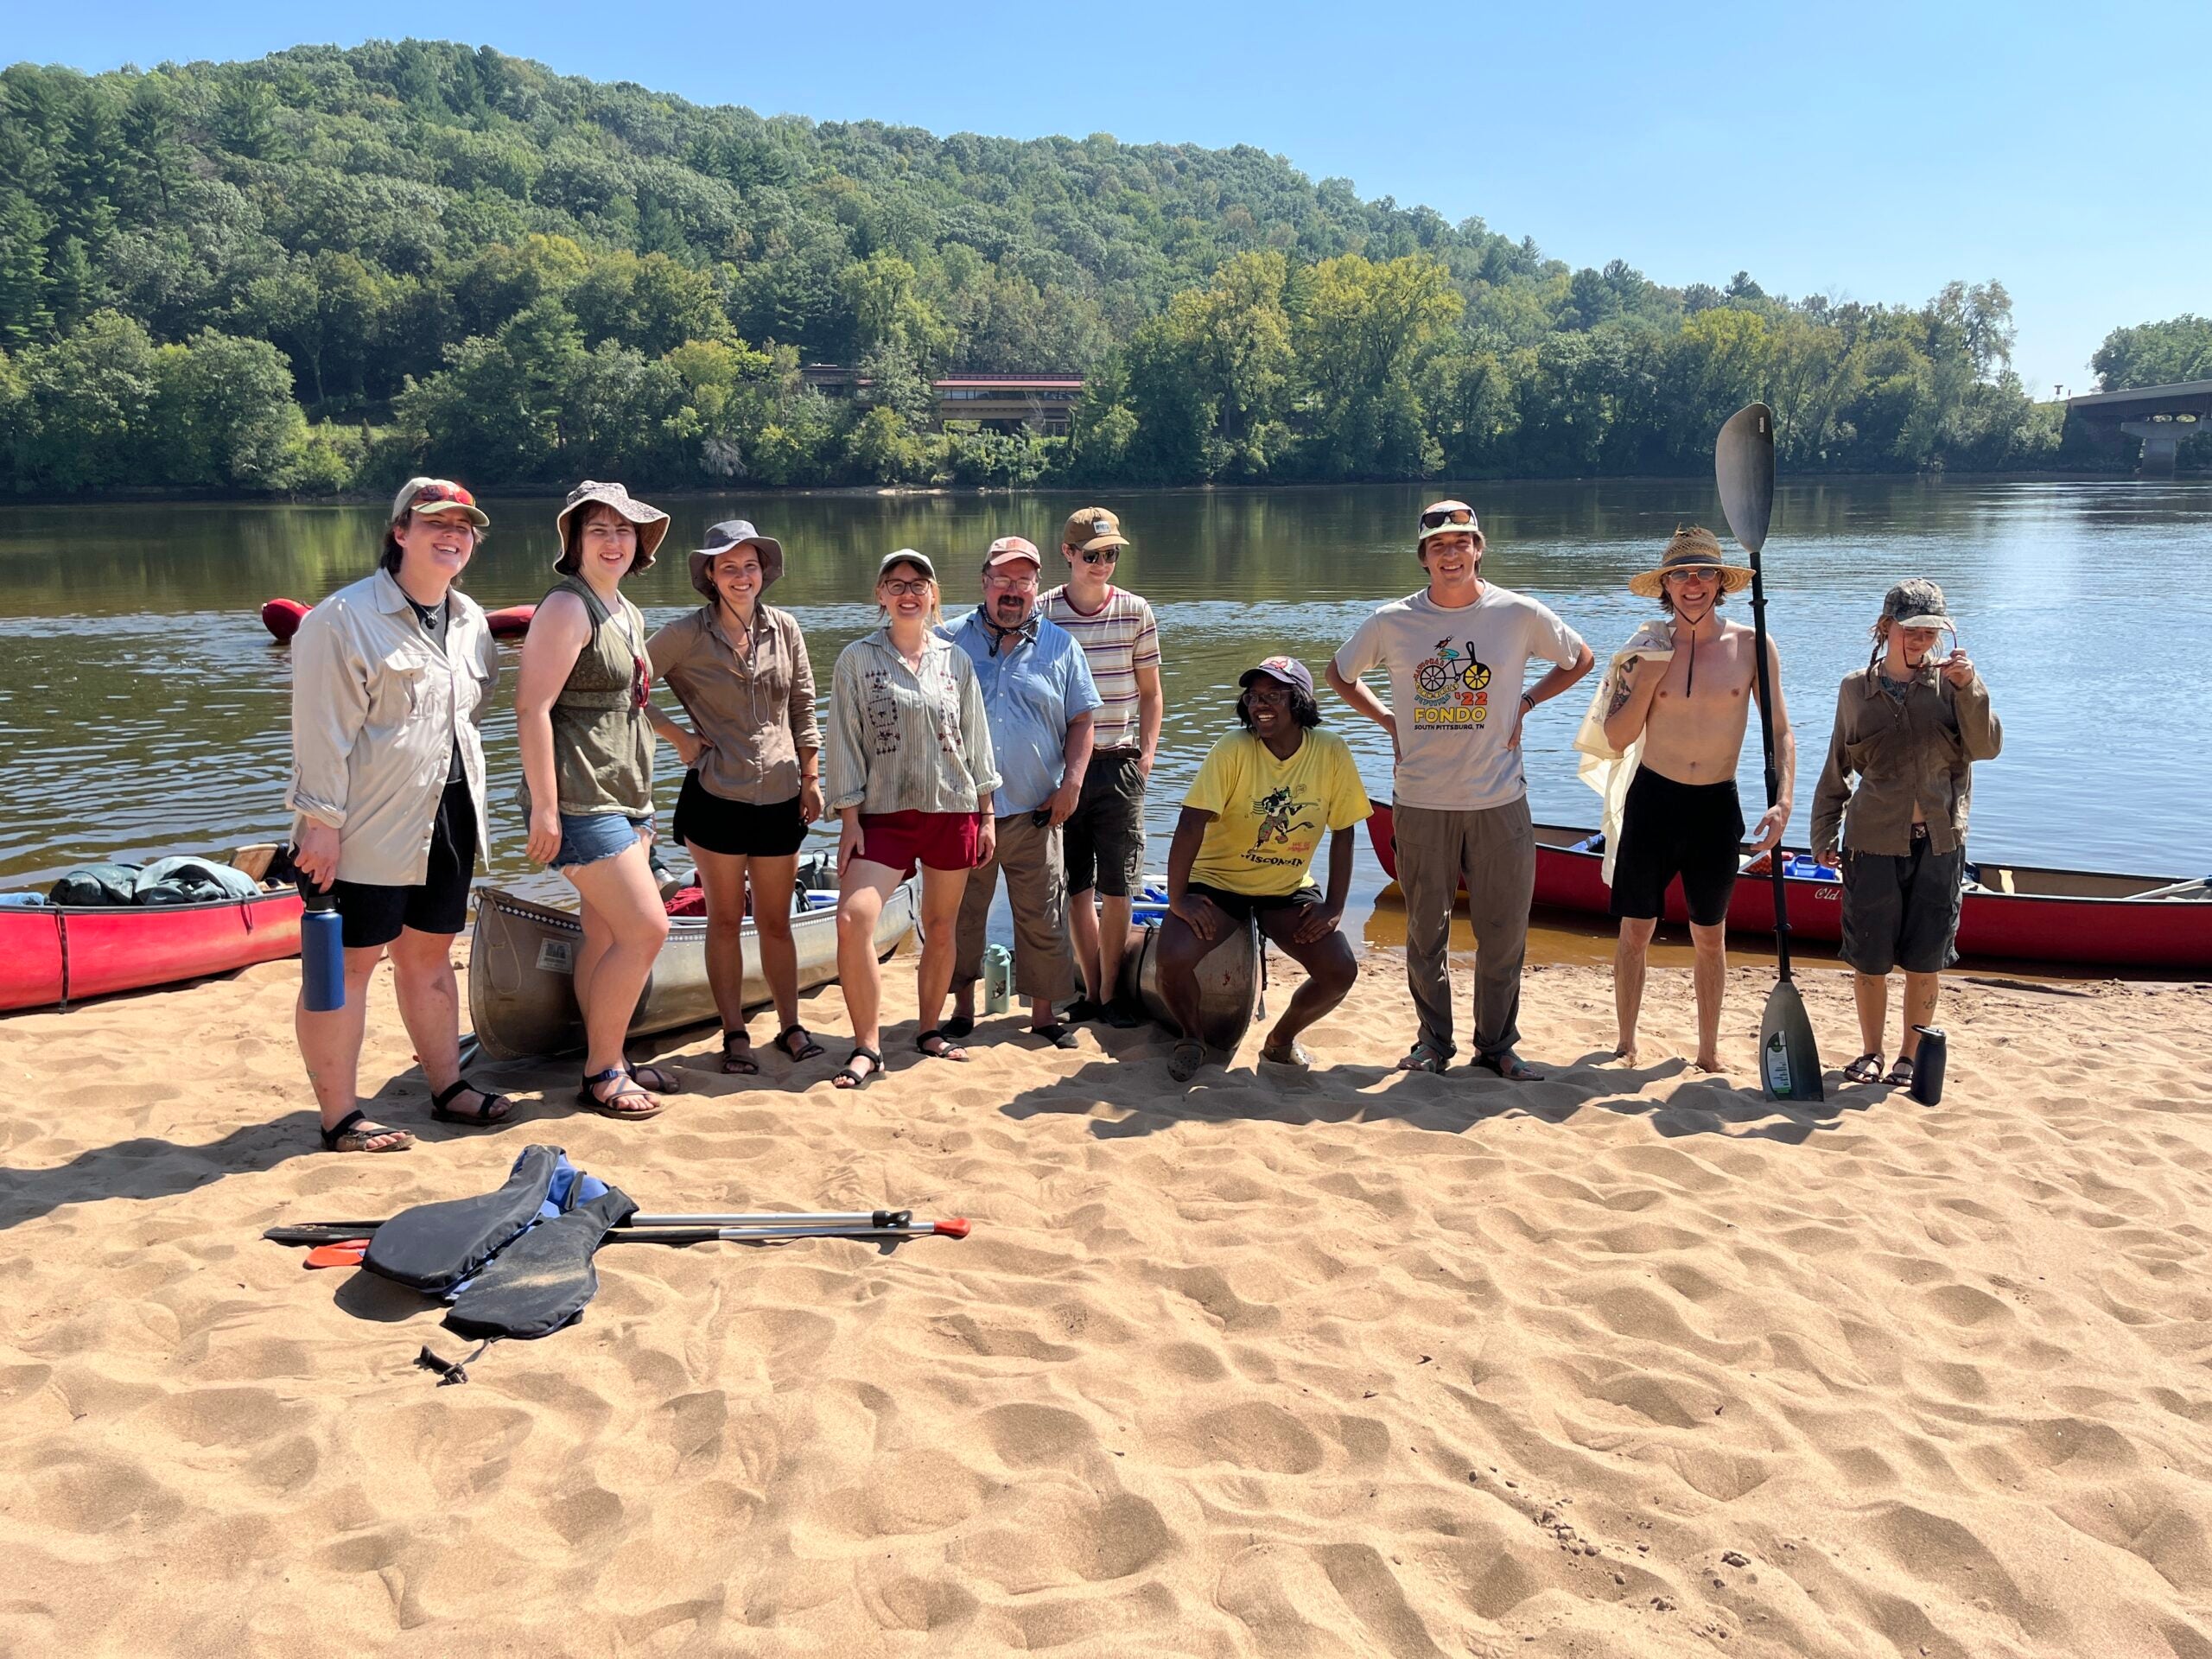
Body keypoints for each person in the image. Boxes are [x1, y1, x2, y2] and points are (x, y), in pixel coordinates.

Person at [1327, 501, 1593, 1080]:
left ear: (1479, 547)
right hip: (1421, 800)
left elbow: (1580, 659)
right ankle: (1433, 1044)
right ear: (1424, 558)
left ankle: (1497, 1046)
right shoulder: (1391, 621)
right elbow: (1339, 674)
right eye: (1439, 547)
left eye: (1461, 543)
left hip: (1499, 800)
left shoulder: (1517, 613)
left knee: (1503, 933)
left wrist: (1527, 702)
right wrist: (1390, 722)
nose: (1452, 555)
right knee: (1426, 932)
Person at [288, 477, 506, 1153]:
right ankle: (341, 1117)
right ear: (400, 532)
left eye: (464, 526)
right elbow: (320, 732)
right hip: (361, 825)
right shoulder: (340, 618)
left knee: (431, 957)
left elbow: (471, 709)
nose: (452, 534)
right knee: (347, 965)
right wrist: (320, 823)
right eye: (434, 521)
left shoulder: (470, 620)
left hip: (449, 813)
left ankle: (447, 1089)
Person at [1596, 526, 1794, 1070]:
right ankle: (1625, 1043)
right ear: (1665, 585)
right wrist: (1645, 680)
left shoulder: (1753, 644)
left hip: (1715, 804)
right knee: (1636, 929)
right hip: (1653, 800)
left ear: (1720, 582)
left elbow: (1779, 731)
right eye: (1681, 575)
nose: (1692, 584)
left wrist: (1783, 803)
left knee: (1710, 934)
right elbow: (1614, 739)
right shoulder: (1643, 647)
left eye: (1704, 573)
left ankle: (1708, 1052)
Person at [514, 480, 679, 1120]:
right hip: (579, 796)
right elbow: (532, 707)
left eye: (624, 530)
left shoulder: (626, 611)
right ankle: (603, 1070)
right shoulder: (567, 608)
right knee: (648, 928)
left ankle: (605, 1053)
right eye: (598, 530)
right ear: (574, 540)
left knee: (607, 929)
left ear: (639, 542)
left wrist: (646, 801)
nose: (613, 542)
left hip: (623, 791)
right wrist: (546, 808)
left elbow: (627, 711)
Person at [645, 519, 825, 1075]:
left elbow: (803, 707)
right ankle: (734, 1033)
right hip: (715, 794)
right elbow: (624, 683)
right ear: (710, 576)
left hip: (781, 795)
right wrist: (675, 735)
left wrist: (813, 777)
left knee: (776, 922)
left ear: (763, 571)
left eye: (749, 565)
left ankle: (791, 1025)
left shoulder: (786, 627)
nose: (741, 576)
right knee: (724, 920)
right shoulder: (684, 634)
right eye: (728, 567)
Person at [1811, 580, 2001, 1090]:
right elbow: (1837, 766)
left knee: (1926, 957)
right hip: (1871, 841)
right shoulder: (1856, 689)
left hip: (1940, 842)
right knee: (1869, 958)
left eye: (1930, 632)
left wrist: (1971, 687)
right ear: (1886, 627)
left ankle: (1908, 1056)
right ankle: (1870, 1051)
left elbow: (1986, 748)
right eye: (1911, 629)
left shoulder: (1954, 688)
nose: (1921, 640)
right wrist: (1823, 832)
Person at [824, 550, 1000, 1088]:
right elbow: (843, 743)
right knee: (854, 919)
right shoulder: (856, 659)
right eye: (896, 584)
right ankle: (867, 1045)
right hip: (882, 814)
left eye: (918, 584)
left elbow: (976, 741)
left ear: (932, 595)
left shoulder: (956, 660)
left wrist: (987, 813)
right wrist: (849, 819)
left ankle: (928, 1030)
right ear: (880, 594)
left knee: (941, 927)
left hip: (953, 807)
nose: (908, 593)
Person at [1160, 656, 1370, 1081]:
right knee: (1172, 958)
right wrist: (1178, 898)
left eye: (1274, 695)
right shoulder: (1233, 747)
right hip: (1219, 882)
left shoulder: (1330, 751)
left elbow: (1344, 832)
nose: (1260, 705)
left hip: (1286, 888)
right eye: (1254, 696)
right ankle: (1191, 1036)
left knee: (1340, 969)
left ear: (1301, 702)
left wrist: (1334, 906)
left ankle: (1279, 1042)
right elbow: (1190, 822)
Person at [943, 536, 1101, 1049]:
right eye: (1002, 579)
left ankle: (1043, 1015)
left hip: (1038, 809)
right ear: (984, 583)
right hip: (964, 812)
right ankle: (962, 1010)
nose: (1012, 590)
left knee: (1043, 914)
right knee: (962, 915)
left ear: (1037, 586)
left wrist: (1072, 783)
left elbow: (1082, 720)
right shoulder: (946, 642)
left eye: (1023, 580)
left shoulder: (1061, 646)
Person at [1042, 506, 1160, 1028]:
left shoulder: (1136, 612)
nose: (1103, 564)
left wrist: (1149, 755)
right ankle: (1090, 990)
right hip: (1061, 769)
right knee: (1076, 887)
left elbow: (1152, 694)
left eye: (1111, 554)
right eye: (1093, 555)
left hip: (1119, 765)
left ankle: (1112, 994)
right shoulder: (1042, 611)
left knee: (1120, 887)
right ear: (1068, 554)